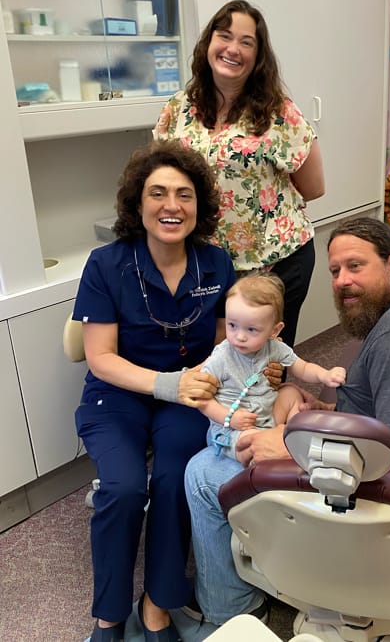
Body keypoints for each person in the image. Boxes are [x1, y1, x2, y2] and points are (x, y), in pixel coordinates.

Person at [184, 216, 390, 628]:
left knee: (201, 473)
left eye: (355, 266)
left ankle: (229, 613)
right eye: (335, 271)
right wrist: (321, 409)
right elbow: (383, 418)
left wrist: (290, 445)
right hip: (385, 496)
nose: (341, 281)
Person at [73, 140, 236, 642]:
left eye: (184, 195)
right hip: (116, 393)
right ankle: (108, 614)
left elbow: (223, 343)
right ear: (137, 205)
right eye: (158, 193)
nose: (172, 206)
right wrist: (169, 383)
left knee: (175, 481)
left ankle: (159, 604)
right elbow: (99, 356)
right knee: (122, 489)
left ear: (199, 206)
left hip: (188, 393)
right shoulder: (106, 263)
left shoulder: (216, 263)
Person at [153, 0, 325, 348]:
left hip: (276, 261)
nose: (233, 49)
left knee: (266, 364)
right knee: (213, 359)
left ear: (258, 56)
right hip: (205, 265)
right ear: (208, 43)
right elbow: (158, 182)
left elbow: (313, 187)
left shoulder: (279, 112)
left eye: (247, 42)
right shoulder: (178, 109)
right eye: (225, 36)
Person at [198, 273, 346, 460]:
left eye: (251, 329)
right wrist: (229, 417)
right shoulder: (222, 356)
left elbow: (303, 367)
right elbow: (202, 399)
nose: (239, 336)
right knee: (250, 444)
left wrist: (325, 375)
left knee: (292, 394)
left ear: (274, 331)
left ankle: (293, 435)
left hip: (267, 417)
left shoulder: (274, 347)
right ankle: (275, 454)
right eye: (232, 325)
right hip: (234, 429)